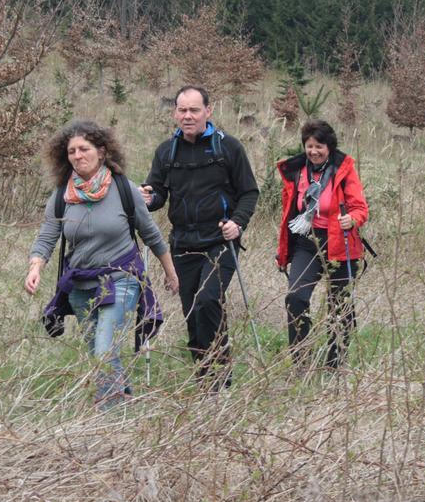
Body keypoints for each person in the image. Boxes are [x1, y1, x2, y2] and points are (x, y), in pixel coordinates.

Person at [26, 120, 179, 408]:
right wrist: (35, 267)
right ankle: (123, 403)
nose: (77, 156)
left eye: (84, 149)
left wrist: (170, 273)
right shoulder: (62, 196)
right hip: (80, 284)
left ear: (102, 152)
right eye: (72, 151)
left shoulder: (124, 189)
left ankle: (108, 418)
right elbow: (47, 236)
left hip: (122, 276)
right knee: (98, 348)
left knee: (104, 348)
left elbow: (151, 234)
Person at [141, 86, 259, 389]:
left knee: (208, 301)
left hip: (220, 241)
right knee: (193, 313)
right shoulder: (166, 151)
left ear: (208, 111)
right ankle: (207, 380)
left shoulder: (228, 148)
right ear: (175, 113)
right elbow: (158, 194)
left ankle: (220, 380)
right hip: (182, 244)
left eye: (194, 110)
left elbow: (248, 192)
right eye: (182, 110)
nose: (187, 116)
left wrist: (238, 222)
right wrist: (148, 197)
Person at [275, 119, 369, 368]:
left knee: (340, 305)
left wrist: (353, 219)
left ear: (329, 147)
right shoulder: (297, 171)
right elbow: (289, 211)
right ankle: (301, 361)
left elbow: (360, 208)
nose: (314, 151)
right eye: (309, 146)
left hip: (340, 244)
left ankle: (335, 363)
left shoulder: (344, 169)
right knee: (295, 298)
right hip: (307, 243)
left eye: (319, 146)